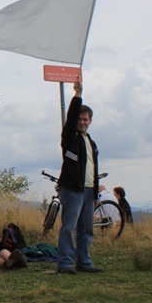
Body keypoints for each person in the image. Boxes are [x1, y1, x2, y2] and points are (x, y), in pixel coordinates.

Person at [56, 79, 103, 274]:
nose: (82, 122)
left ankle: (84, 262)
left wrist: (96, 190)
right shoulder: (70, 137)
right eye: (80, 119)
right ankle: (65, 264)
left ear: (90, 121)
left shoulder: (90, 142)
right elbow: (71, 115)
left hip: (89, 190)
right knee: (69, 227)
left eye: (86, 119)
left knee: (86, 229)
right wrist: (77, 95)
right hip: (72, 189)